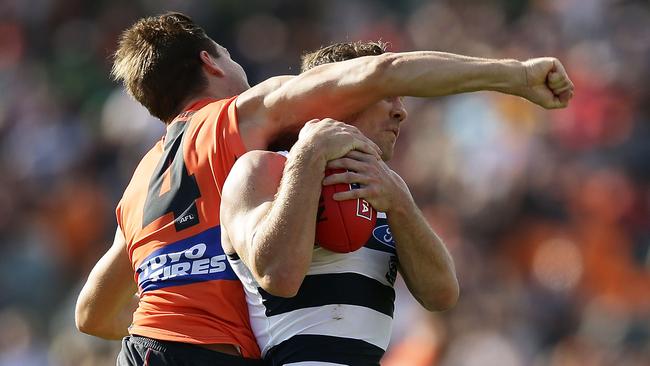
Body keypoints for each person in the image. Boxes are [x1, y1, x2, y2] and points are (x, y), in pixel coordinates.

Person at [74, 12, 574, 366]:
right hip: (212, 353)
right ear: (212, 63)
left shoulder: (140, 181)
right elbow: (380, 71)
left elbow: (91, 314)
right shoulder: (238, 117)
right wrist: (515, 75)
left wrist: (167, 322)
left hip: (139, 350)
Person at [219, 41, 458, 365]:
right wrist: (309, 156)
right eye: (386, 93)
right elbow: (279, 275)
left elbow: (442, 294)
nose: (401, 110)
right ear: (337, 94)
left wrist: (401, 204)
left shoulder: (386, 188)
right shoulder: (261, 169)